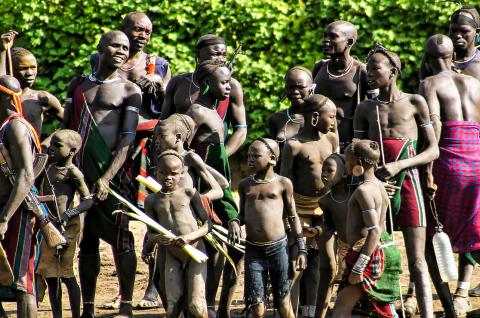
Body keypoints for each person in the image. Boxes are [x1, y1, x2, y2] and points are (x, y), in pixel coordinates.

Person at [90, 12, 171, 310]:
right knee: (116, 218)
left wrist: (159, 86)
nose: (142, 35)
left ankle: (153, 287)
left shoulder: (159, 64)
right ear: (122, 31)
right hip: (110, 150)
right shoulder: (102, 59)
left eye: (147, 31)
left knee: (156, 218)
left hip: (147, 149)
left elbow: (167, 109)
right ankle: (123, 289)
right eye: (136, 29)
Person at [354, 44, 439, 317]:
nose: (369, 73)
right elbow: (355, 148)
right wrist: (375, 179)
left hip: (409, 182)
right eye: (367, 68)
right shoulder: (366, 108)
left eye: (375, 68)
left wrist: (399, 165)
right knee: (377, 248)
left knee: (417, 260)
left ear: (393, 72)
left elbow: (433, 150)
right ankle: (381, 310)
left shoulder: (415, 102)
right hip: (379, 187)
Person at [64, 30, 141, 318]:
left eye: (126, 47)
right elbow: (67, 132)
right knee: (87, 241)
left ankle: (127, 307)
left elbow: (126, 140)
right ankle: (88, 309)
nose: (121, 50)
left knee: (122, 238)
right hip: (80, 174)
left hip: (115, 175)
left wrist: (107, 177)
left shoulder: (130, 90)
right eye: (115, 45)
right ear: (100, 46)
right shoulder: (79, 85)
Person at [419, 34, 480, 317]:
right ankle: (462, 294)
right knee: (474, 231)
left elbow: (434, 126)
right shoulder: (475, 83)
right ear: (453, 56)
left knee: (432, 238)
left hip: (449, 162)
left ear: (427, 60)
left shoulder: (429, 83)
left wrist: (429, 171)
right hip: (477, 161)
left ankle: (449, 308)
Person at [146, 113, 228, 309]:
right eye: (155, 136)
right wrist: (149, 241)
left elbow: (220, 186)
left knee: (194, 298)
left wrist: (197, 200)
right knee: (165, 288)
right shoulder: (159, 163)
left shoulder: (189, 158)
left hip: (191, 232)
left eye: (161, 135)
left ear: (179, 138)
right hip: (167, 233)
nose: (156, 140)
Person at [186, 60, 243, 318]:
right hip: (203, 188)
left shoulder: (216, 111)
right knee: (209, 248)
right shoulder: (196, 112)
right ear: (206, 83)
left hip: (220, 184)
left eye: (229, 82)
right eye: (223, 82)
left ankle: (220, 308)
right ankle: (204, 305)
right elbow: (183, 151)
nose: (228, 87)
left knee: (232, 247)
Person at [228, 137, 307, 318]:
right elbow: (243, 215)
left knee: (284, 304)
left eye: (256, 155)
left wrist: (301, 247)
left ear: (272, 159)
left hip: (278, 249)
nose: (250, 159)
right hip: (253, 250)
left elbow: (293, 216)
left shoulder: (283, 183)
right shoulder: (245, 185)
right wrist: (234, 221)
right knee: (257, 305)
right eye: (249, 156)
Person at [280, 94, 337, 317]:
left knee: (327, 262)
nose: (333, 121)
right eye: (330, 116)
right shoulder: (293, 146)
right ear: (315, 117)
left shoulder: (330, 139)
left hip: (326, 206)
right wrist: (289, 213)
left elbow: (338, 171)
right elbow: (286, 181)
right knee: (297, 262)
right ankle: (288, 310)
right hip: (300, 207)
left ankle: (315, 311)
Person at [333, 139, 401, 318]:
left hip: (369, 253)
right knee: (369, 309)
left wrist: (359, 266)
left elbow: (374, 230)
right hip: (381, 249)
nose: (345, 165)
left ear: (358, 163)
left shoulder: (364, 191)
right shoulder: (379, 185)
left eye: (347, 160)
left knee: (341, 307)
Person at [143, 150, 212, 318]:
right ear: (155, 172)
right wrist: (154, 241)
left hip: (196, 253)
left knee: (196, 306)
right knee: (173, 307)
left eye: (173, 174)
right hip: (172, 255)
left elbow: (207, 225)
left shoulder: (189, 194)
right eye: (163, 173)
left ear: (182, 174)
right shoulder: (151, 201)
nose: (168, 177)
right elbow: (151, 232)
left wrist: (189, 237)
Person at [36, 129, 94, 318]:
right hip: (48, 226)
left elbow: (88, 200)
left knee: (67, 274)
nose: (52, 148)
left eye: (57, 145)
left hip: (67, 227)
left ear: (72, 151)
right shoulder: (47, 167)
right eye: (52, 144)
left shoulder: (72, 172)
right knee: (52, 278)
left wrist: (69, 214)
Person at [161, 34, 247, 158]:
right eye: (216, 54)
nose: (222, 59)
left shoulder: (232, 86)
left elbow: (241, 129)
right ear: (198, 55)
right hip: (178, 156)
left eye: (224, 55)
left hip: (212, 157)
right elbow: (164, 122)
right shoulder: (178, 83)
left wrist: (221, 156)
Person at [0, 75, 43, 317]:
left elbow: (26, 176)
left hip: (17, 210)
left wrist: (5, 219)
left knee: (21, 281)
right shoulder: (4, 125)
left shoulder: (16, 126)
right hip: (6, 209)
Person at [312, 21, 373, 152]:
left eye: (332, 36)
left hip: (347, 144)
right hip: (317, 141)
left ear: (349, 42)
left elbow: (375, 110)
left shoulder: (361, 71)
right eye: (324, 36)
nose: (325, 41)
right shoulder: (319, 67)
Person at [0, 31, 63, 135]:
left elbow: (70, 120)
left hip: (32, 151)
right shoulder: (5, 98)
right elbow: (2, 82)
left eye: (33, 67)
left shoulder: (41, 98)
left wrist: (46, 144)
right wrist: (3, 51)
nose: (29, 73)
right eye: (23, 68)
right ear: (11, 69)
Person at [268, 66, 313, 171]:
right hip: (283, 177)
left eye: (300, 87)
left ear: (312, 88)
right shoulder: (276, 119)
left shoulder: (318, 118)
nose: (295, 91)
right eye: (291, 87)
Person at [449, 7, 480, 78]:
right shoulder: (438, 60)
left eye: (464, 31)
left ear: (477, 32)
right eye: (453, 30)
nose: (457, 36)